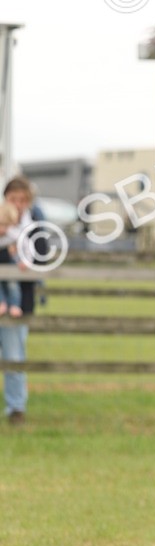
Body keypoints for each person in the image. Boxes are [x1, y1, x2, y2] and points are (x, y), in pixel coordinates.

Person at [0, 177, 46, 425]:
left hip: (20, 301)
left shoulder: (35, 226)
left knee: (14, 354)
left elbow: (43, 255)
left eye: (22, 200)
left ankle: (15, 408)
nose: (17, 204)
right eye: (13, 199)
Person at [0, 199, 23, 317]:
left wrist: (23, 260)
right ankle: (1, 303)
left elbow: (25, 246)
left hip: (10, 262)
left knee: (12, 283)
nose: (1, 229)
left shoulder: (13, 235)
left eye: (5, 225)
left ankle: (15, 304)